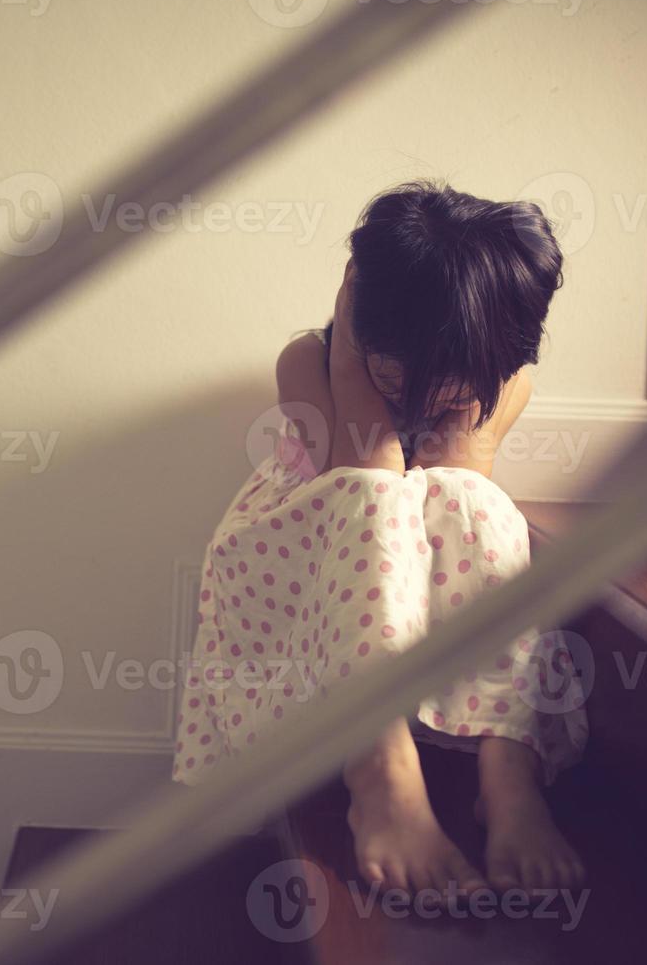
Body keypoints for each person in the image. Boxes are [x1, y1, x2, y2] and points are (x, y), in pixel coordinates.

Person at [171, 181, 587, 898]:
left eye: (460, 379)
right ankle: (380, 763)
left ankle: (507, 767)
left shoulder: (507, 379)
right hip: (301, 572)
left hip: (427, 579)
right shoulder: (307, 362)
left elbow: (456, 475)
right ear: (361, 319)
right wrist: (345, 362)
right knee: (373, 493)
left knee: (475, 498)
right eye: (402, 369)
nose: (430, 395)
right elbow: (365, 470)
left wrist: (477, 392)